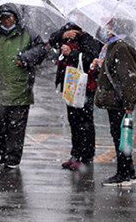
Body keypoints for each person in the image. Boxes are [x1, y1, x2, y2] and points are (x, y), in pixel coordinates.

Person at [0, 3, 46, 169]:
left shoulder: (28, 34)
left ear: (16, 18)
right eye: (3, 18)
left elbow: (41, 49)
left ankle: (13, 157)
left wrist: (27, 58)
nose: (6, 21)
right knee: (0, 124)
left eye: (9, 17)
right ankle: (4, 154)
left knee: (16, 126)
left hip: (21, 90)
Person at [94, 24, 136, 187]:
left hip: (119, 102)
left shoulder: (121, 47)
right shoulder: (113, 46)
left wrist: (128, 104)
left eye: (109, 27)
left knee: (121, 137)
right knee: (121, 137)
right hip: (115, 101)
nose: (105, 30)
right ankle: (127, 172)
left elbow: (127, 77)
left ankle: (124, 173)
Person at [48, 22, 102, 171]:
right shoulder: (69, 29)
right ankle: (75, 154)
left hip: (85, 85)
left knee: (85, 121)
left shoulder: (90, 36)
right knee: (73, 120)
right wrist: (63, 36)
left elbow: (90, 59)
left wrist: (71, 53)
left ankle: (86, 156)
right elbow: (52, 40)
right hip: (71, 84)